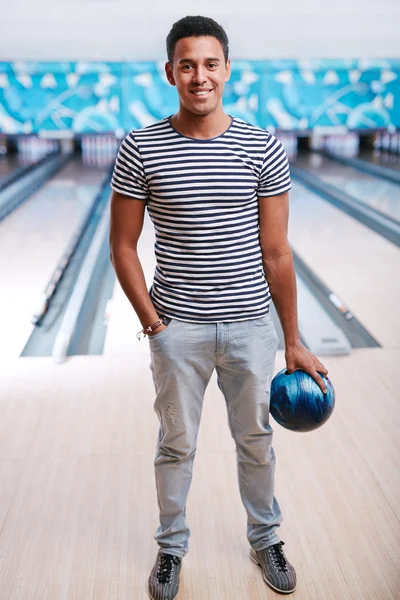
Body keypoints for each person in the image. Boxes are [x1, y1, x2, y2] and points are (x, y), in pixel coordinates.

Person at [109, 15, 328, 599]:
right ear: (170, 72)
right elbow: (121, 245)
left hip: (252, 330)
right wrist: (153, 324)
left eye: (210, 64)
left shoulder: (262, 146)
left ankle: (266, 539)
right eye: (187, 65)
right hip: (177, 330)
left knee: (256, 441)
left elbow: (277, 253)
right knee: (175, 445)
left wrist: (293, 340)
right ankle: (171, 549)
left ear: (227, 69)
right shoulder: (140, 146)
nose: (199, 76)